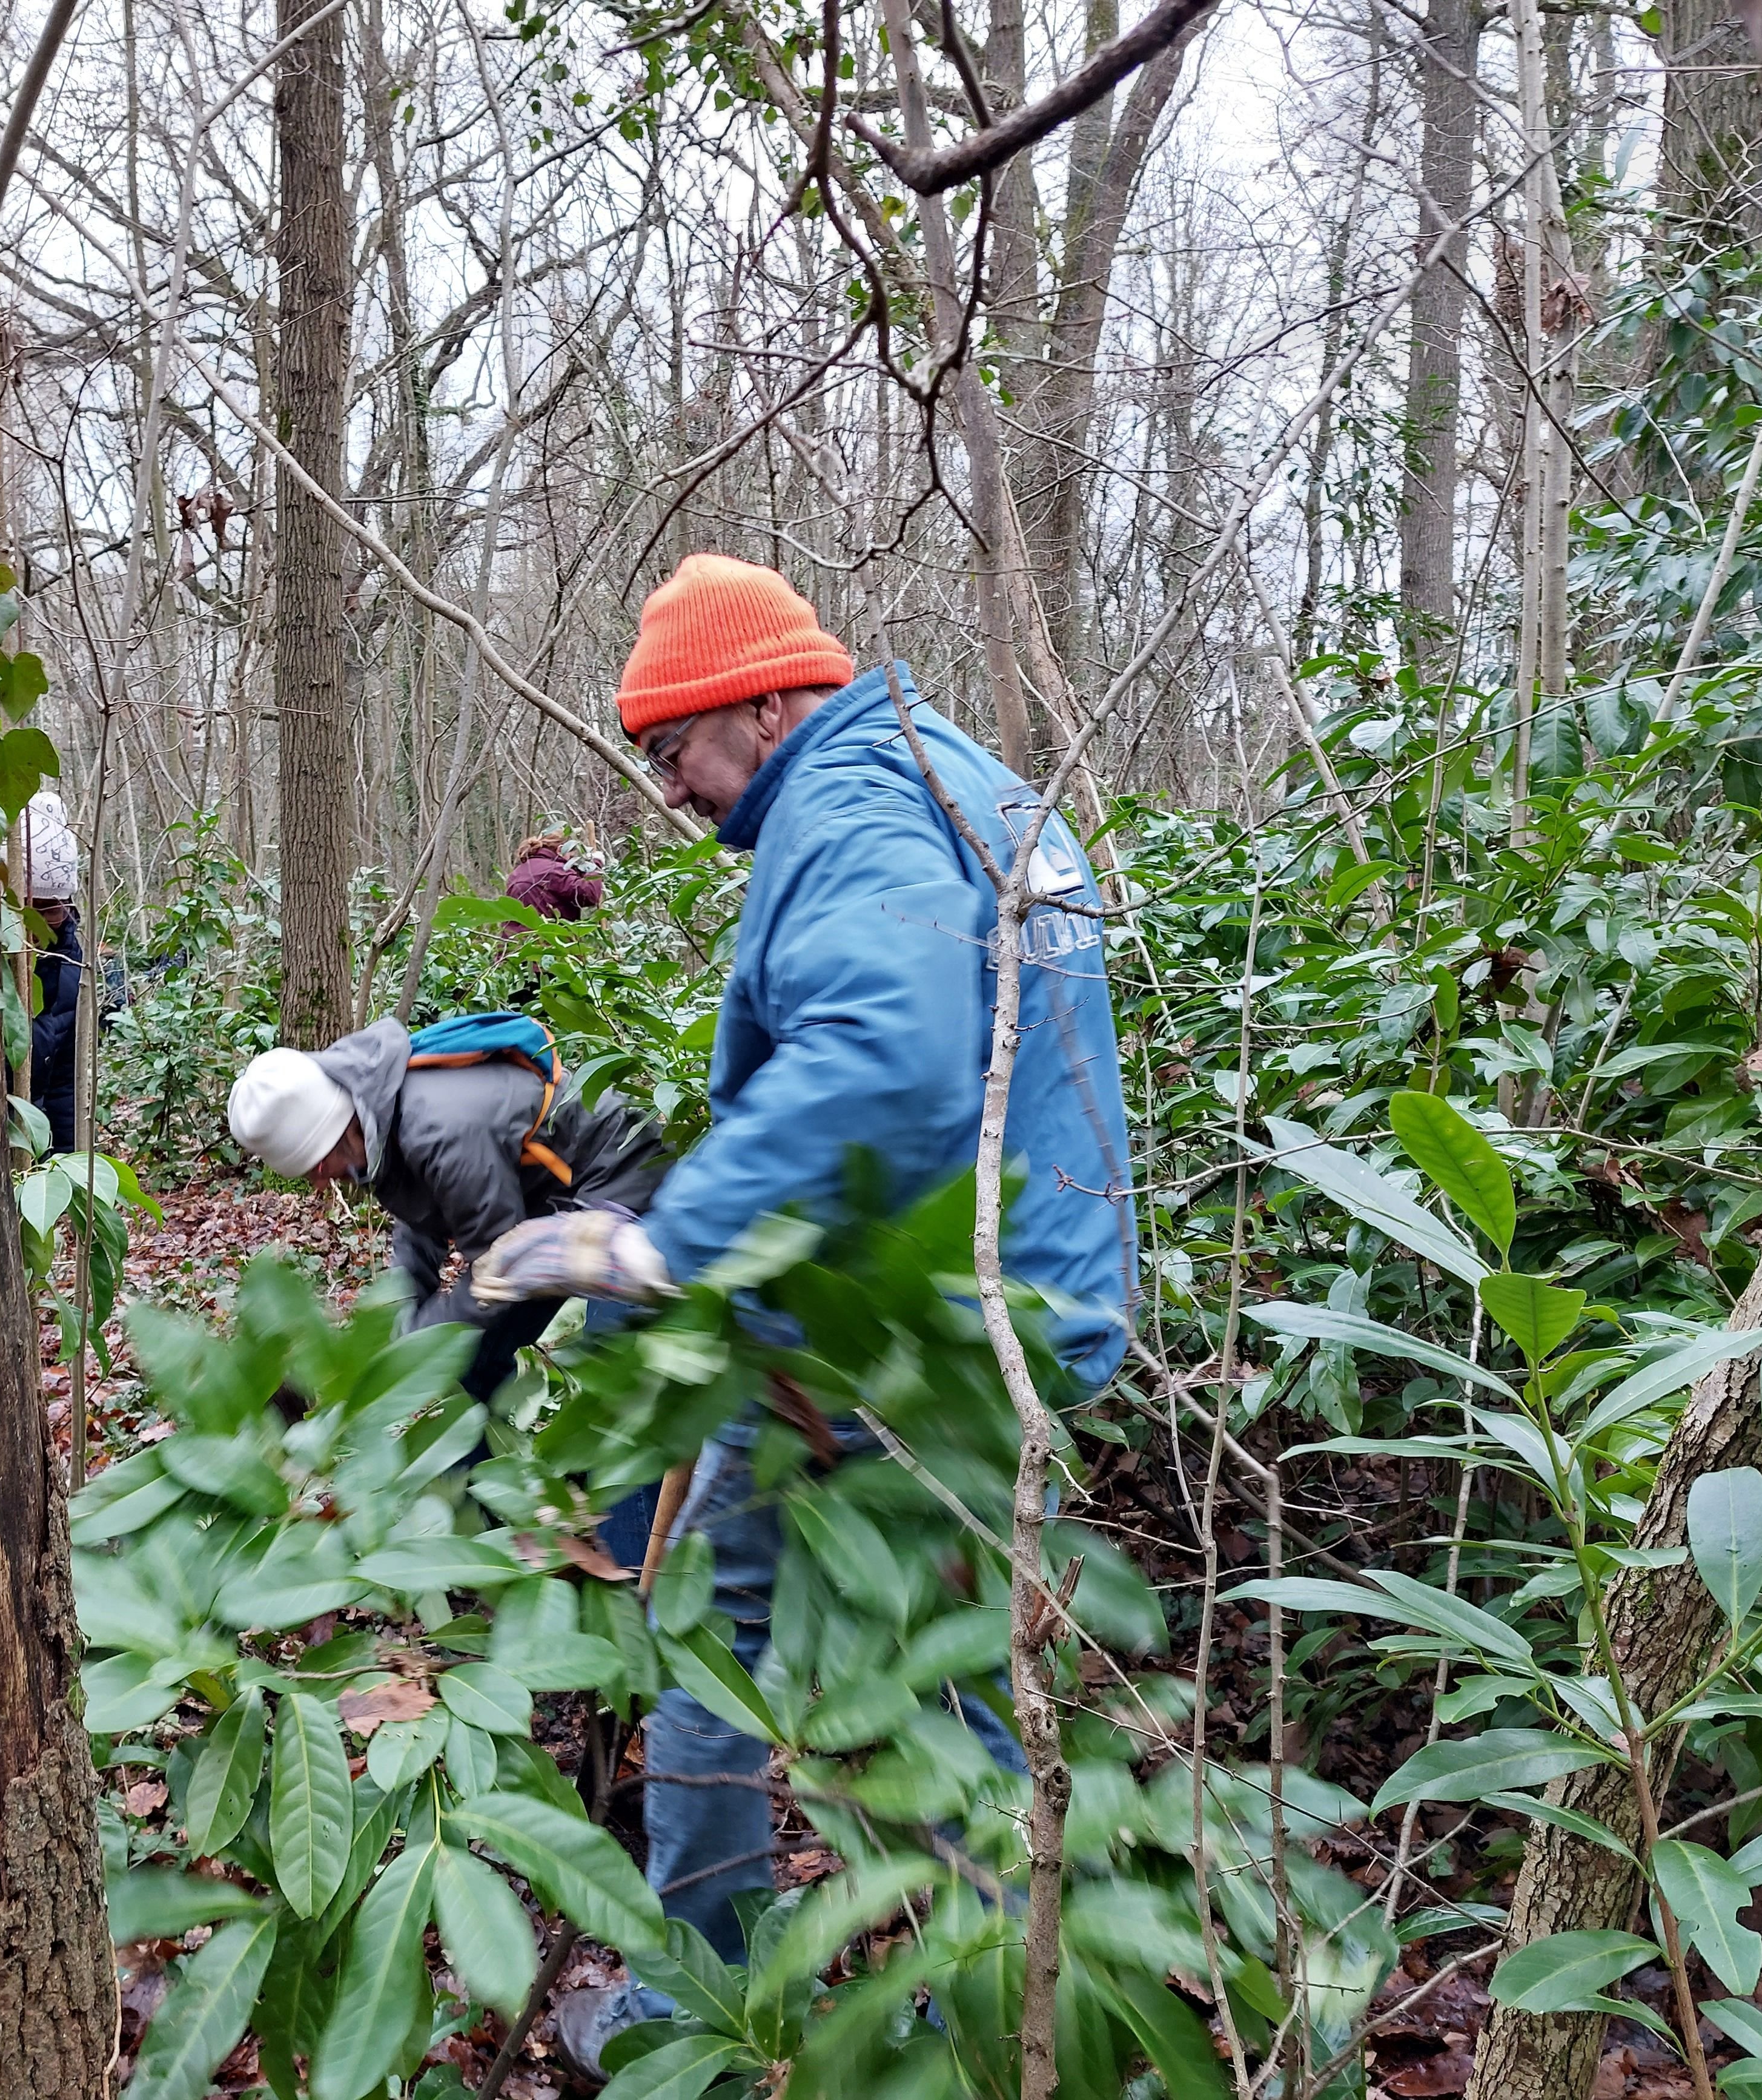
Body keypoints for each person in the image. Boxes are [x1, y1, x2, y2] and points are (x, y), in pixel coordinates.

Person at [474, 553, 1134, 2076]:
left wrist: (669, 1253)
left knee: (706, 1626)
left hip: (893, 1321)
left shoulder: (843, 806)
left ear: (763, 705)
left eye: (672, 752)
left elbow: (883, 1061)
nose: (671, 794)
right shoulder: (956, 776)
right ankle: (1015, 1996)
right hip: (1008, 1310)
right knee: (950, 1659)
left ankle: (691, 2007)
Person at [225, 1015, 670, 1403]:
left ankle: (617, 1497)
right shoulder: (377, 1123)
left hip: (620, 1171)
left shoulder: (442, 1129)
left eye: (316, 1170)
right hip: (543, 1207)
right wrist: (396, 1321)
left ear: (330, 1143)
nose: (322, 1183)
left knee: (618, 1370)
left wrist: (414, 1348)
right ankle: (490, 1492)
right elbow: (419, 1226)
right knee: (474, 1362)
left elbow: (498, 1273)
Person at [15, 790, 86, 1155]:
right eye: (32, 907)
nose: (40, 924)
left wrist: (65, 1167)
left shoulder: (71, 965)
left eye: (52, 909)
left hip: (37, 1149)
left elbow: (63, 1085)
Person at [506, 831, 603, 920]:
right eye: (571, 856)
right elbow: (589, 894)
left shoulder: (516, 873)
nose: (571, 861)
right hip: (547, 937)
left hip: (515, 937)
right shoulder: (555, 870)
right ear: (561, 850)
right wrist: (595, 865)